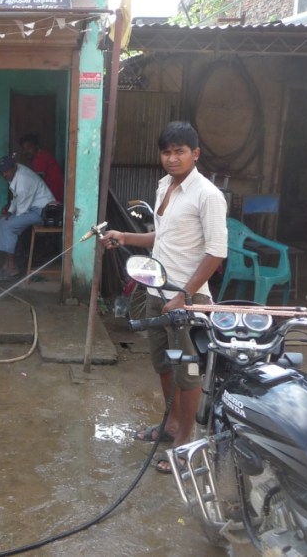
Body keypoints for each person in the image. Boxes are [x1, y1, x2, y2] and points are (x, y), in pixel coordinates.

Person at [101, 121, 228, 474]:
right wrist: (124, 236)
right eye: (167, 152)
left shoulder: (207, 195)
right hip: (158, 292)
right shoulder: (164, 186)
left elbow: (216, 252)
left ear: (195, 154)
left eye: (180, 152)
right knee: (164, 365)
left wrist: (185, 295)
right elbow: (164, 237)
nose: (172, 158)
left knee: (187, 373)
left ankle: (186, 442)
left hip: (187, 302)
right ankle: (171, 425)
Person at [0, 155, 56, 280]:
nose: (5, 174)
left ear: (14, 167)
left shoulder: (23, 181)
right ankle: (7, 265)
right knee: (2, 222)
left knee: (9, 226)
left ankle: (12, 268)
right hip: (31, 207)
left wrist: (11, 218)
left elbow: (21, 209)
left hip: (42, 211)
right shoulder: (15, 172)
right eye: (2, 172)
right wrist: (9, 212)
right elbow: (16, 198)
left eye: (7, 171)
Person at [18, 134, 64, 204]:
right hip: (54, 197)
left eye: (29, 147)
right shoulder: (40, 156)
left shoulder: (40, 157)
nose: (26, 151)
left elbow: (36, 184)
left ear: (36, 146)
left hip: (54, 199)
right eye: (24, 149)